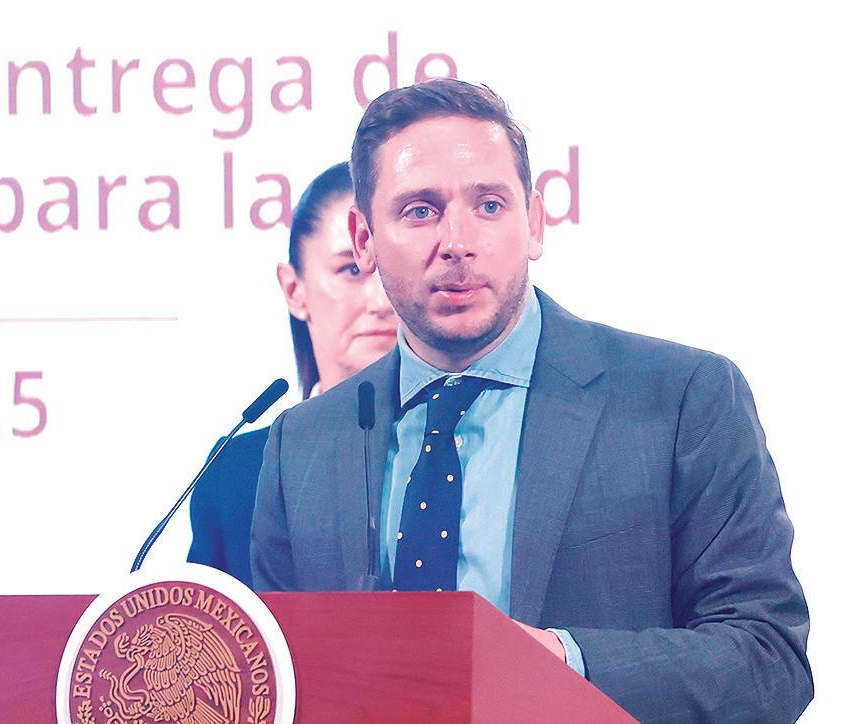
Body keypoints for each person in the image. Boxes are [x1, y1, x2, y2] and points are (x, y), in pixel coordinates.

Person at [250, 79, 812, 721]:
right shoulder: (302, 444)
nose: (457, 241)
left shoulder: (682, 399)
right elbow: (278, 684)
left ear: (535, 223)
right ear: (364, 240)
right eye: (420, 211)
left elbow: (769, 661)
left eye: (489, 205)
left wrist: (560, 661)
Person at [187, 162, 398, 586]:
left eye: (393, 270)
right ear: (293, 289)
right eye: (351, 270)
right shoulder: (234, 472)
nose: (382, 301)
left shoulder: (455, 449)